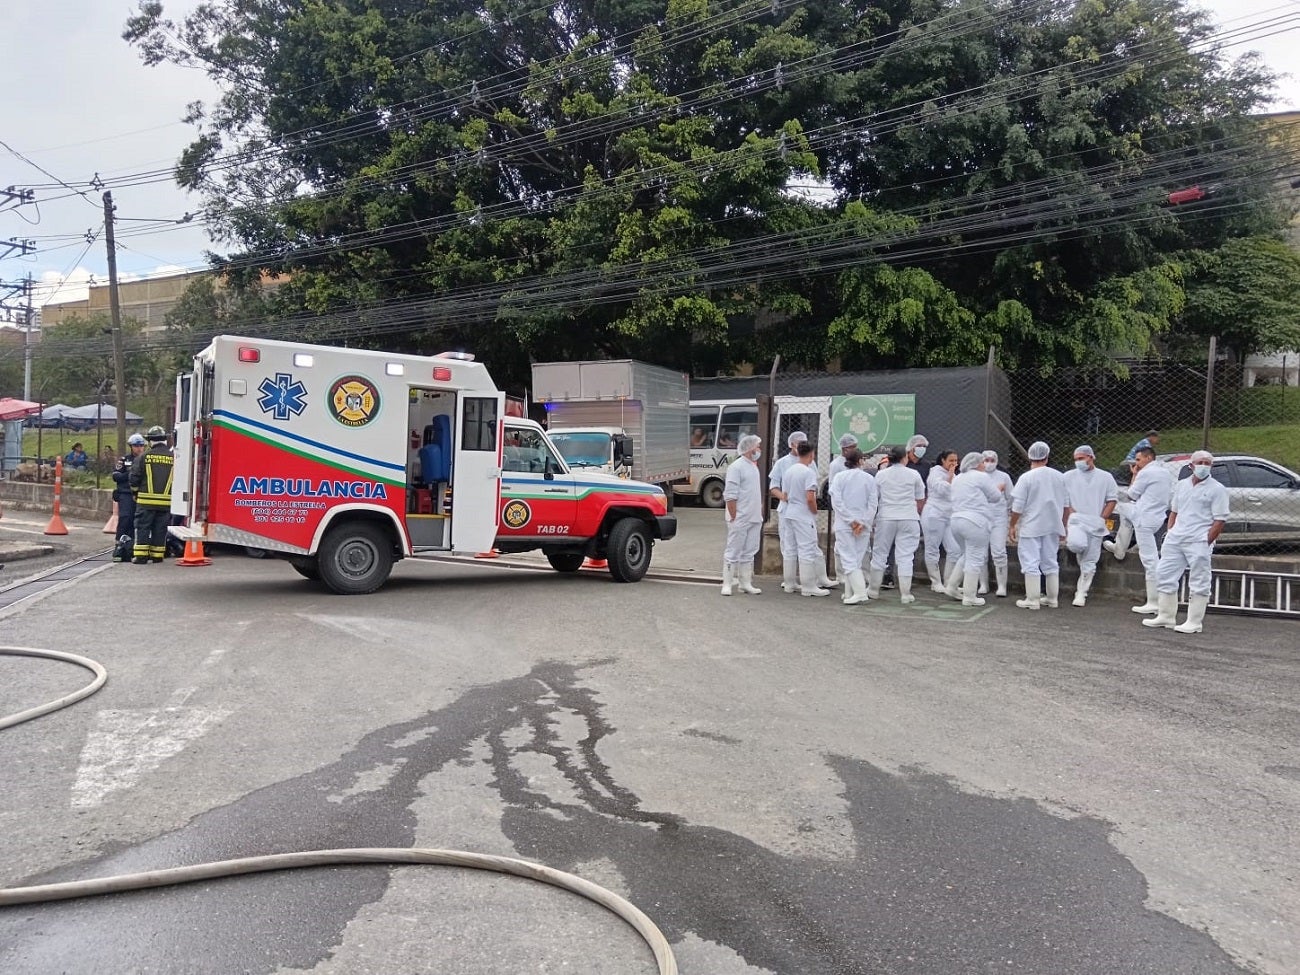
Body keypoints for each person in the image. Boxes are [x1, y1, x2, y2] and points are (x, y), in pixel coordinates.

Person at [1143, 450, 1229, 634]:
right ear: (1191, 465)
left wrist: (1206, 541)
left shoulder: (1217, 489)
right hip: (1176, 538)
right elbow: (1174, 511)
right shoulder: (1182, 485)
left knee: (1199, 579)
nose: (1203, 466)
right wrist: (1171, 531)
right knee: (1164, 573)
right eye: (1200, 462)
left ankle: (1194, 622)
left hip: (1198, 540)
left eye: (1207, 463)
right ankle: (1166, 616)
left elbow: (1220, 519)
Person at [1112, 446, 1175, 614]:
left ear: (1148, 458)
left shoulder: (1146, 473)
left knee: (1149, 560)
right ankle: (1119, 546)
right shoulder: (1165, 472)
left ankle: (1154, 602)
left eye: (1138, 460)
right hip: (1156, 516)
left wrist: (1133, 476)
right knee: (1125, 513)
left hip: (1144, 518)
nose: (1137, 463)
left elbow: (1132, 494)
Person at [1008, 441, 1067, 610]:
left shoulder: (1026, 478)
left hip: (1032, 525)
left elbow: (1017, 506)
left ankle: (1032, 599)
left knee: (1030, 561)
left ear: (1029, 457)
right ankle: (1052, 598)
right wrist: (1064, 526)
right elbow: (1066, 505)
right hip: (1053, 525)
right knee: (1050, 561)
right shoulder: (1059, 477)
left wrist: (1013, 525)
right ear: (1047, 457)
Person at [944, 451, 1006, 607]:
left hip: (956, 521)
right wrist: (998, 488)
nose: (985, 464)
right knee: (975, 557)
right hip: (975, 522)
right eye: (983, 462)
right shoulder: (981, 477)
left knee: (966, 554)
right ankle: (970, 595)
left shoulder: (957, 478)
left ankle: (952, 586)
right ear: (978, 464)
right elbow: (995, 497)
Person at [1061, 444, 1118, 607]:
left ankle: (1081, 593)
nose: (1078, 462)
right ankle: (1082, 574)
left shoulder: (1105, 477)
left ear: (1091, 457)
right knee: (1076, 544)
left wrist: (1102, 517)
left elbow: (1112, 500)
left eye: (1081, 458)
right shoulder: (1068, 476)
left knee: (1090, 561)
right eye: (1076, 459)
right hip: (1077, 520)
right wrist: (1072, 514)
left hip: (1095, 522)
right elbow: (1065, 500)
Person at [867, 445, 925, 603]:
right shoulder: (914, 474)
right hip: (909, 517)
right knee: (906, 555)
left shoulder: (881, 475)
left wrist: (871, 519)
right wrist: (916, 513)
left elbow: (874, 498)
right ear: (904, 457)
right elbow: (920, 499)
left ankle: (873, 590)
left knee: (880, 553)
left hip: (886, 517)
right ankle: (905, 594)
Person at [829, 447, 878, 605]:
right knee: (856, 560)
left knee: (848, 560)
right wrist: (861, 522)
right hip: (863, 526)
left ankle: (859, 593)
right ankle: (850, 592)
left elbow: (837, 502)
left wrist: (851, 521)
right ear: (860, 461)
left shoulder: (839, 478)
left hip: (844, 524)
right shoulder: (869, 479)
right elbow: (872, 504)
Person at [780, 441, 828, 596]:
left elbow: (785, 495)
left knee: (790, 548)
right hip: (803, 514)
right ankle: (809, 586)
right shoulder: (808, 473)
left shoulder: (789, 471)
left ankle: (789, 583)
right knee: (807, 548)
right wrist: (814, 512)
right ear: (812, 454)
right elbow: (810, 498)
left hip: (790, 512)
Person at [720, 435, 764, 596]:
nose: (759, 450)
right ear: (750, 448)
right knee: (733, 550)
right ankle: (727, 583)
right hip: (740, 517)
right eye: (758, 447)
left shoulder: (753, 466)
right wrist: (734, 515)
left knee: (750, 551)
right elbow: (730, 495)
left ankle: (746, 583)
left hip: (753, 517)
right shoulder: (736, 467)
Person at [770, 431, 808, 594]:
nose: (802, 446)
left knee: (806, 545)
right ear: (791, 444)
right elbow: (773, 486)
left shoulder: (809, 461)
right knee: (788, 543)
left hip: (804, 510)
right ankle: (789, 581)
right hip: (786, 509)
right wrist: (783, 497)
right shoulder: (782, 463)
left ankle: (805, 580)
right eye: (800, 443)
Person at [129, 425, 174, 564]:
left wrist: (135, 493)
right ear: (165, 440)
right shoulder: (174, 457)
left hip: (145, 501)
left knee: (143, 527)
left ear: (150, 441)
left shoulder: (144, 457)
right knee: (160, 529)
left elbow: (134, 478)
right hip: (166, 502)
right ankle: (157, 556)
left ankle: (141, 557)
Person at [920, 450, 958, 593]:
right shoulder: (935, 473)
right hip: (934, 514)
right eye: (951, 461)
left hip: (949, 516)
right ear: (942, 460)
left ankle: (950, 582)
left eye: (956, 461)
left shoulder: (954, 474)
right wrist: (949, 476)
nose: (954, 463)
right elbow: (942, 490)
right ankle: (935, 582)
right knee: (932, 548)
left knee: (955, 549)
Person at [979, 449, 1015, 598]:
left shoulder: (1004, 477)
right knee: (980, 552)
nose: (989, 463)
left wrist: (1005, 511)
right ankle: (983, 584)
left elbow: (1011, 497)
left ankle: (1001, 585)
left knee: (999, 551)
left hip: (999, 517)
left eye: (992, 460)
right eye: (986, 460)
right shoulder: (978, 476)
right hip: (981, 517)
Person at [111, 433, 148, 562]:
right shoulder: (124, 460)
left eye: (141, 445)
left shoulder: (146, 460)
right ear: (131, 447)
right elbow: (116, 476)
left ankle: (132, 546)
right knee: (125, 518)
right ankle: (119, 544)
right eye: (136, 446)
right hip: (126, 494)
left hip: (140, 494)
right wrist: (131, 473)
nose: (139, 448)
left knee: (136, 521)